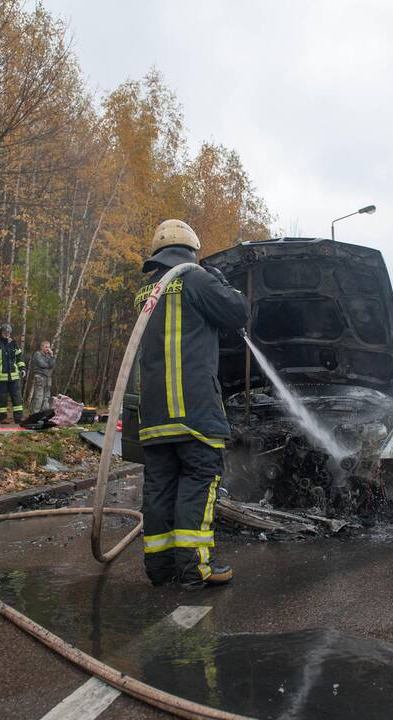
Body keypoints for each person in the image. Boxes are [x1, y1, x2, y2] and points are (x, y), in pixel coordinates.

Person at [136, 219, 248, 588]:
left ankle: (160, 567)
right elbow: (237, 312)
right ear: (191, 251)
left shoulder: (146, 291)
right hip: (194, 411)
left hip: (153, 415)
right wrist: (221, 280)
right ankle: (195, 568)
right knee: (198, 484)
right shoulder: (196, 279)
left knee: (159, 488)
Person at [0, 324, 26, 423]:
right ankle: (3, 418)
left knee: (17, 397)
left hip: (14, 376)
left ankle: (19, 418)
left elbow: (19, 357)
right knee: (2, 398)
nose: (7, 334)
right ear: (1, 333)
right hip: (1, 376)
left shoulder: (14, 343)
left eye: (8, 333)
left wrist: (22, 368)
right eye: (5, 333)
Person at [27, 340, 55, 414]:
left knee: (46, 397)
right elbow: (41, 364)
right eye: (46, 347)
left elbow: (52, 365)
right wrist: (48, 365)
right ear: (42, 347)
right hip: (40, 377)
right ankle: (34, 414)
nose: (48, 349)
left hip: (48, 377)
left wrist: (52, 356)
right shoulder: (37, 354)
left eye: (49, 347)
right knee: (39, 397)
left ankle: (43, 414)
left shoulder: (49, 355)